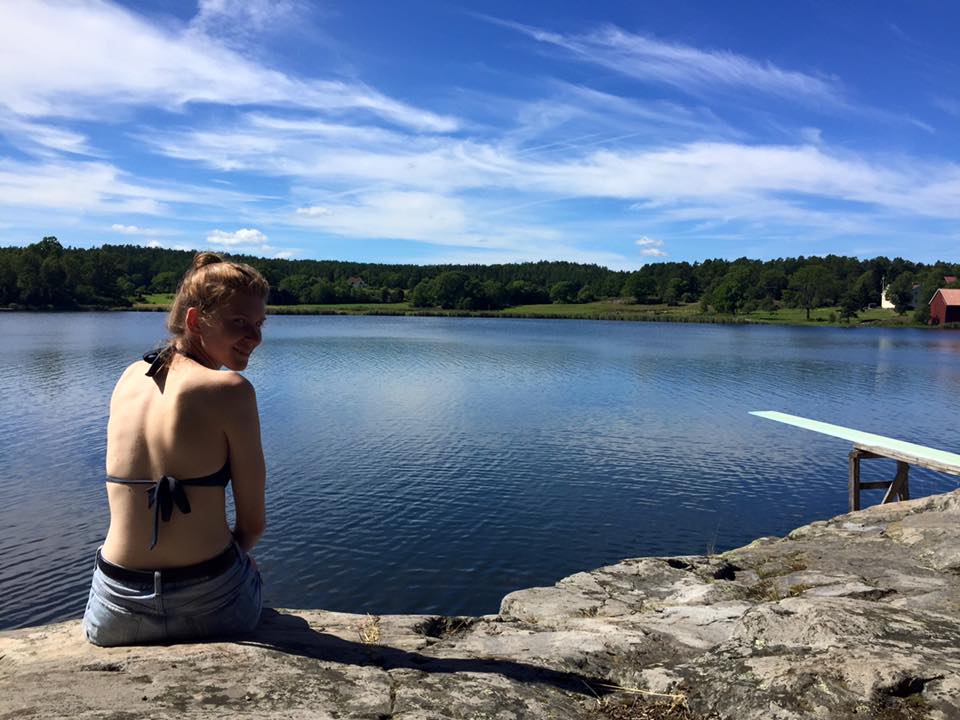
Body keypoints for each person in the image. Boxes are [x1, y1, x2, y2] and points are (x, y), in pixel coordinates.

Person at [83, 252, 269, 646]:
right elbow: (253, 525)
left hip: (115, 607)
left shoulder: (129, 377)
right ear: (195, 320)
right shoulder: (230, 391)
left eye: (258, 324)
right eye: (240, 322)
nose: (255, 337)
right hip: (212, 603)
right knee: (249, 567)